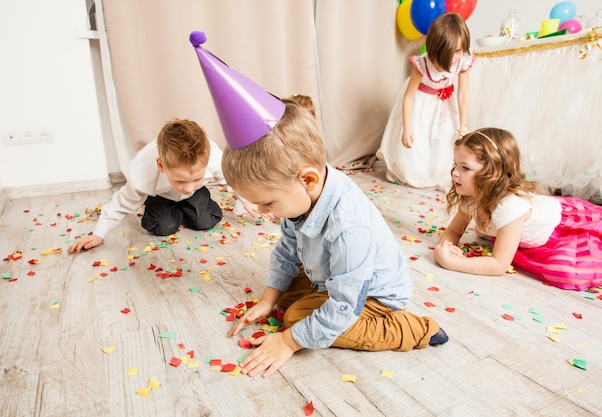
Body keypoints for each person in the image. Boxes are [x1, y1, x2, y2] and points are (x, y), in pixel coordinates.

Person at [223, 100, 448, 378]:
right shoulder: (304, 193)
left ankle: (413, 329)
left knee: (296, 320)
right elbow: (287, 251)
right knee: (285, 296)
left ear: (308, 180)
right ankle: (307, 303)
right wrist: (269, 300)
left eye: (267, 203)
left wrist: (288, 341)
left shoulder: (348, 228)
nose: (260, 212)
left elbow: (344, 304)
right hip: (333, 274)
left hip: (373, 295)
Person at [434, 127, 602, 291]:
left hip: (560, 229)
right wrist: (446, 247)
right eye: (455, 165)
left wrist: (452, 262)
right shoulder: (472, 196)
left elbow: (499, 264)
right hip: (529, 215)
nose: (455, 173)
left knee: (567, 270)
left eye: (465, 168)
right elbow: (455, 231)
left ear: (492, 173)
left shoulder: (509, 207)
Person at [68, 119, 260, 253]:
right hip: (161, 196)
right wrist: (99, 234)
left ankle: (192, 206)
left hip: (196, 197)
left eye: (196, 178)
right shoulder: (142, 173)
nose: (188, 187)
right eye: (180, 181)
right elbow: (122, 202)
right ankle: (167, 209)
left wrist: (247, 200)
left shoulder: (213, 158)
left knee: (205, 221)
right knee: (163, 227)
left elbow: (231, 178)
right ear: (161, 165)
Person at [377, 12, 474, 191]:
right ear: (437, 49)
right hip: (420, 103)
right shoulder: (423, 64)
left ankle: (435, 171)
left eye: (458, 51)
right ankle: (414, 170)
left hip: (443, 103)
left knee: (445, 139)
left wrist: (463, 124)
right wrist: (406, 128)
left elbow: (463, 93)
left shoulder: (463, 60)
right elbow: (409, 96)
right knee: (417, 141)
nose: (454, 57)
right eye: (450, 52)